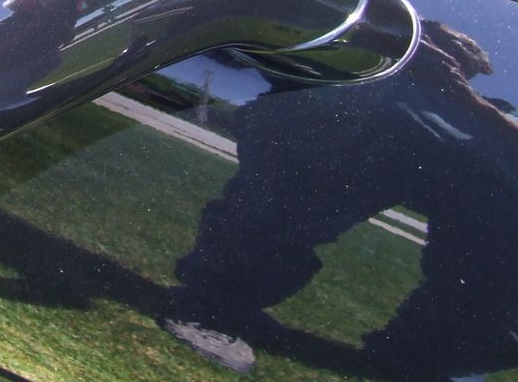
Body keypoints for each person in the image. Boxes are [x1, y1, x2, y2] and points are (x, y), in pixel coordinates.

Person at [160, 21, 518, 380]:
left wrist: (463, 97)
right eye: (451, 51)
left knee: (494, 242)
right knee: (292, 204)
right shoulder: (381, 55)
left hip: (429, 153)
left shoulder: (466, 109)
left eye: (467, 60)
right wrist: (397, 41)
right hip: (342, 124)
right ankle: (212, 306)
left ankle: (418, 352)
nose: (459, 61)